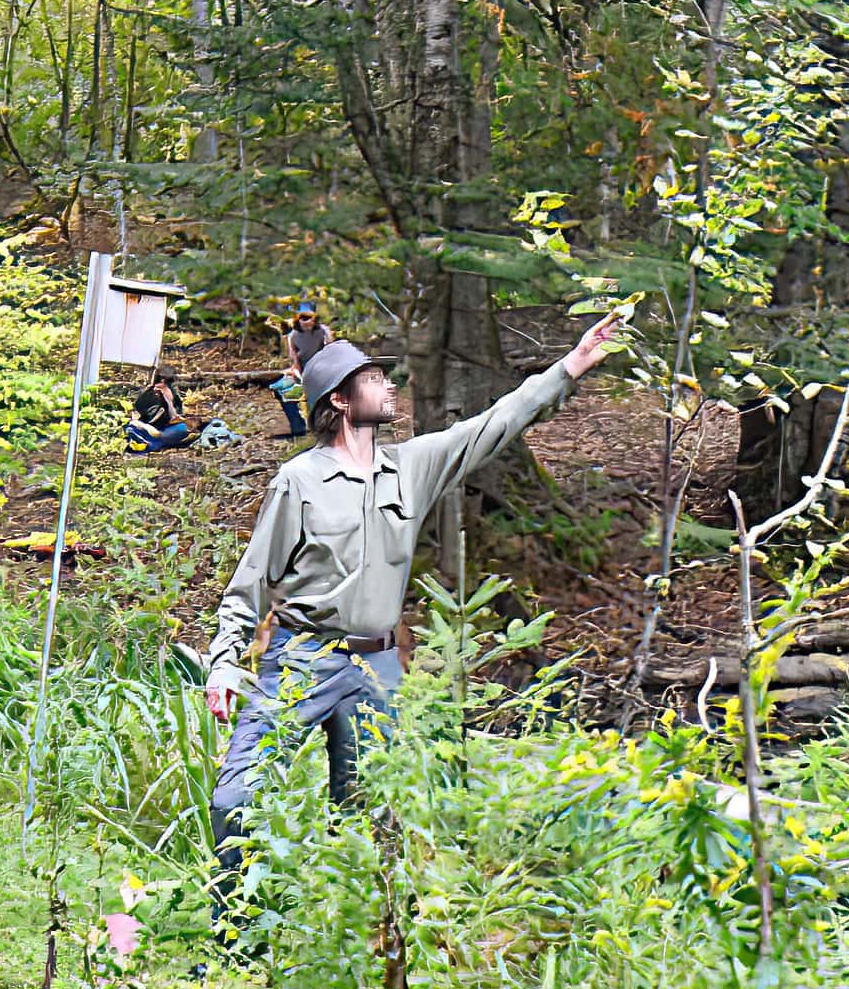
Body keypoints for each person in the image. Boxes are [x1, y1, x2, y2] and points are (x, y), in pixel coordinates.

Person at [205, 313, 622, 919]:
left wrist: (573, 364)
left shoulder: (414, 465)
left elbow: (496, 423)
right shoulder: (298, 481)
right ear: (341, 402)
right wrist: (222, 664)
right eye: (373, 379)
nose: (389, 386)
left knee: (375, 814)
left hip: (378, 668)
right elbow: (248, 585)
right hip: (302, 659)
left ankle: (372, 941)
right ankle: (234, 939)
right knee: (237, 797)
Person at [270, 302, 332, 439]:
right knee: (280, 389)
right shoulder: (293, 336)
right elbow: (295, 362)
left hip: (322, 371)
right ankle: (298, 427)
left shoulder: (323, 331)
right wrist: (298, 374)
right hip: (302, 373)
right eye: (303, 318)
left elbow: (331, 352)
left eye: (309, 317)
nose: (306, 321)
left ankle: (322, 425)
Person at [126, 370, 193, 452]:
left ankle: (154, 443)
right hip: (149, 428)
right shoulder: (148, 395)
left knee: (182, 428)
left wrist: (168, 401)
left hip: (164, 429)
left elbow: (175, 416)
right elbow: (138, 414)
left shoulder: (172, 395)